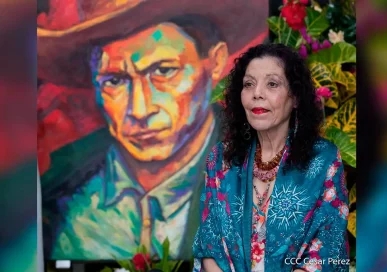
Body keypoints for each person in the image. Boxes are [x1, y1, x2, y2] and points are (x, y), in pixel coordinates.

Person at [37, 0, 269, 260]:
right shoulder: (57, 186)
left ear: (215, 63)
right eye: (114, 80)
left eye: (163, 71)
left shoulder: (263, 170)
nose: (139, 109)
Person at [193, 44, 349, 272]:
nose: (257, 93)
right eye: (249, 84)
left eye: (272, 84)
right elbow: (209, 244)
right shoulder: (220, 158)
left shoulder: (323, 160)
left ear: (295, 97)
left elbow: (327, 249)